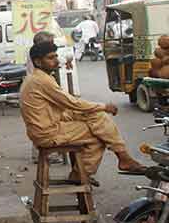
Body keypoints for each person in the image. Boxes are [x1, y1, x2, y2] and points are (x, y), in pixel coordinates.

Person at [20, 41, 145, 183]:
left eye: (56, 56)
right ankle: (81, 174)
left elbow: (67, 104)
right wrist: (104, 106)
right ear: (38, 62)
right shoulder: (41, 80)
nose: (56, 61)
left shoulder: (39, 78)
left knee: (96, 115)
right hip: (47, 133)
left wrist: (97, 109)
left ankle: (123, 157)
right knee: (98, 137)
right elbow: (71, 103)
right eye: (50, 58)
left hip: (50, 123)